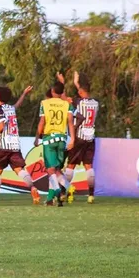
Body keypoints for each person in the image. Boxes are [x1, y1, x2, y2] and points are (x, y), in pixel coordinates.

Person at [0, 83, 41, 205]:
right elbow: (17, 104)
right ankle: (32, 188)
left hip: (2, 145)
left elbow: (1, 125)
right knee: (19, 169)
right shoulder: (11, 109)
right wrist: (24, 94)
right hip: (14, 144)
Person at [35, 82, 75, 206]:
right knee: (57, 169)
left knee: (50, 169)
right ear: (62, 92)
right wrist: (72, 139)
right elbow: (70, 123)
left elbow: (42, 121)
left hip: (49, 139)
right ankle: (69, 188)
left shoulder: (45, 103)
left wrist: (37, 137)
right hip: (62, 140)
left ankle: (59, 191)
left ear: (52, 91)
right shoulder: (67, 105)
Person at [64, 72, 99, 204]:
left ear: (81, 91)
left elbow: (66, 98)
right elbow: (81, 92)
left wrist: (69, 82)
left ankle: (64, 192)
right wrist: (77, 83)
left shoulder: (79, 103)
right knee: (88, 166)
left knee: (71, 165)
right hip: (91, 137)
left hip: (79, 137)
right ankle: (91, 195)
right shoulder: (95, 103)